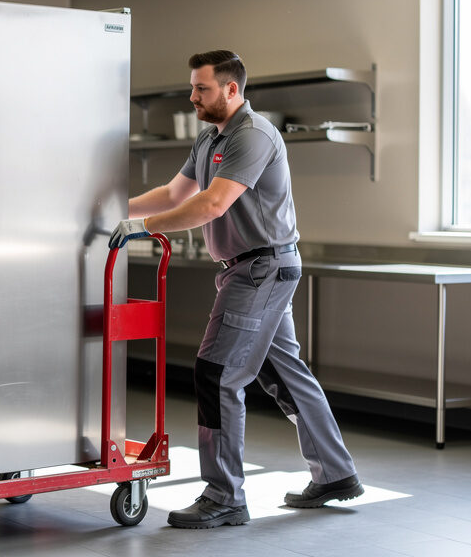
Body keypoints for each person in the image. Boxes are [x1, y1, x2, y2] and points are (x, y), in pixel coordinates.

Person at [109, 50, 362, 529]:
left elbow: (211, 205)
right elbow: (173, 194)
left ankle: (224, 496)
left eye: (201, 89)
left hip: (260, 270)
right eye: (192, 87)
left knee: (217, 372)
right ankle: (335, 473)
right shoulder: (211, 137)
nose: (192, 97)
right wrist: (114, 208)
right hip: (252, 268)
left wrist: (142, 228)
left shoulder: (253, 135)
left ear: (231, 89)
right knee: (283, 373)